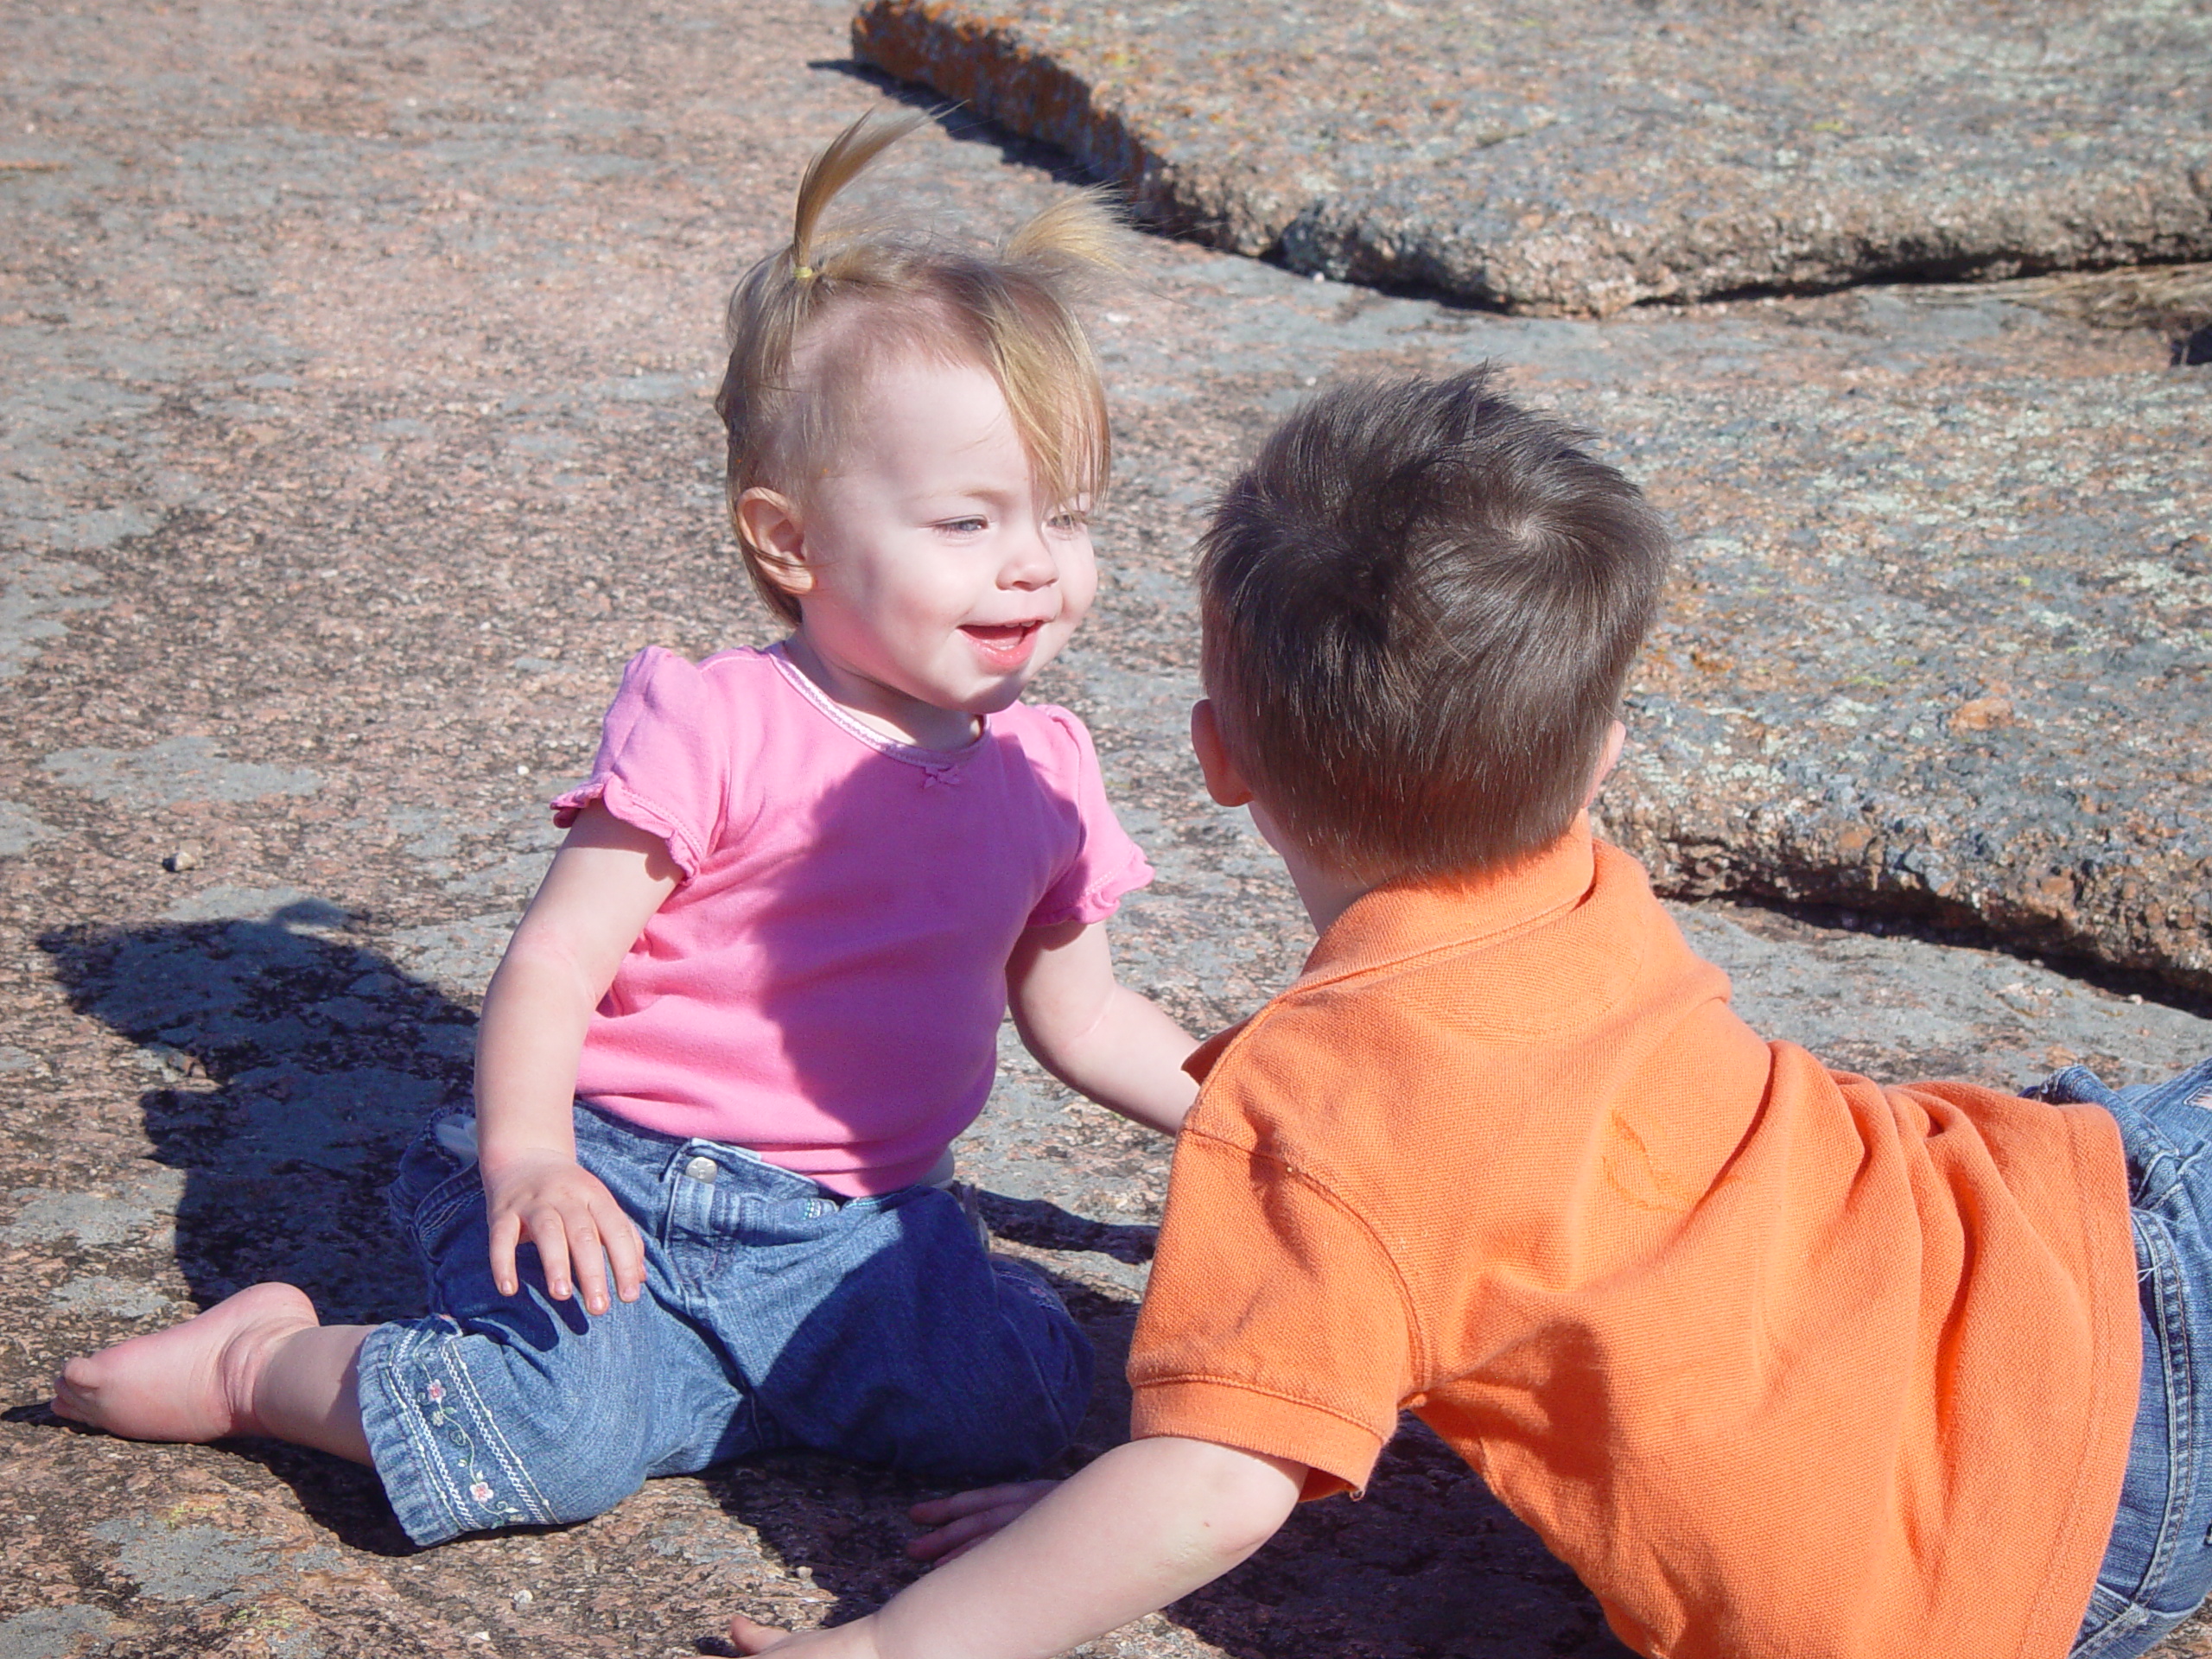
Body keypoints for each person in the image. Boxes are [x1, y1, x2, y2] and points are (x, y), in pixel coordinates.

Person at [729, 368, 2212, 1659]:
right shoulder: (1579, 888)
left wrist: (898, 1641)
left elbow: (1213, 1482)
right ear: (1599, 764)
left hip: (2027, 1536)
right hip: (2075, 1247)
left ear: (1218, 756)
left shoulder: (1319, 1112)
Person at [49, 111, 1199, 1548]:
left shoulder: (1046, 770)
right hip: (622, 1182)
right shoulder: (718, 725)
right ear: (788, 541)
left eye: (1069, 517)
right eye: (968, 523)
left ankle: (710, 1382)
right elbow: (554, 965)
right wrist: (530, 1157)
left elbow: (1083, 1018)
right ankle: (265, 1363)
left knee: (1021, 1408)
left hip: (863, 1224)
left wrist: (1254, 1125)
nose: (1035, 564)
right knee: (545, 1449)